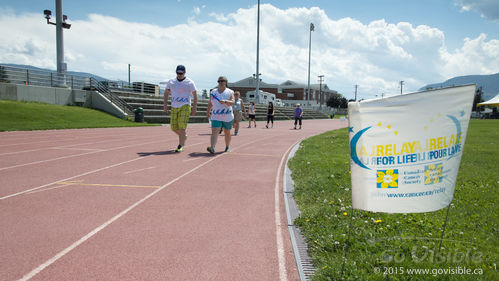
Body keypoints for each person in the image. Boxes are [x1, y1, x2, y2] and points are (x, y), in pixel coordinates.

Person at [163, 65, 198, 152]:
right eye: (178, 73)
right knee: (173, 127)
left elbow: (195, 95)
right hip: (174, 106)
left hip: (185, 105)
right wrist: (165, 105)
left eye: (181, 73)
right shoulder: (171, 82)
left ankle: (180, 145)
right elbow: (166, 93)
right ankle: (183, 137)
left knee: (182, 126)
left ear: (184, 73)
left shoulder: (189, 82)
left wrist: (194, 107)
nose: (179, 75)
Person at [206, 76, 234, 154]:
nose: (221, 82)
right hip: (216, 115)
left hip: (227, 116)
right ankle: (212, 147)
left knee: (227, 132)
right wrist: (208, 111)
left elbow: (232, 102)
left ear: (226, 82)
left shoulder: (230, 92)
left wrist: (225, 101)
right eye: (219, 81)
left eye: (222, 81)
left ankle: (227, 146)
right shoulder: (213, 92)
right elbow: (210, 103)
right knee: (215, 131)